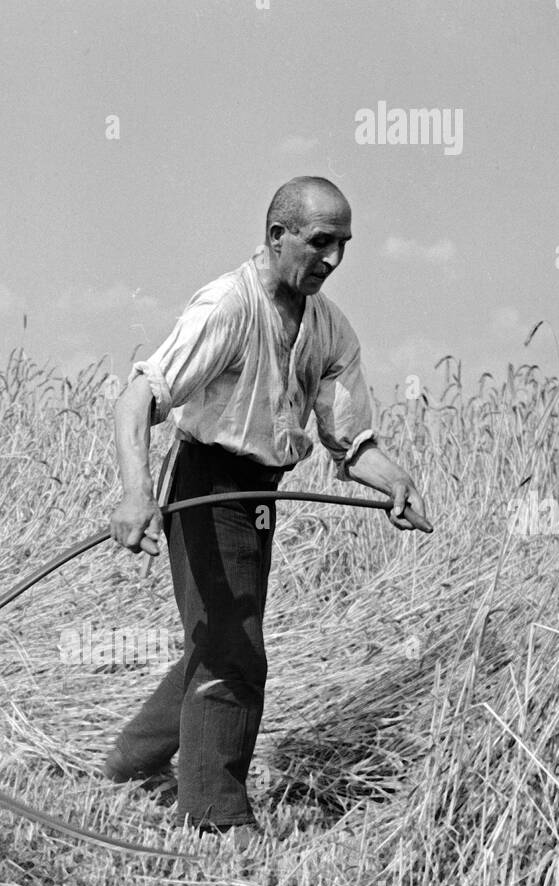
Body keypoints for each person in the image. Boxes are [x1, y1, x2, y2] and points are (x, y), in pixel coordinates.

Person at [106, 176, 430, 848]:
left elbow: (350, 441)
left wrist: (392, 481)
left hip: (261, 492)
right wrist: (136, 494)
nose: (332, 258)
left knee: (223, 638)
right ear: (277, 235)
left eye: (342, 244)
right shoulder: (228, 307)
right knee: (235, 653)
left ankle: (130, 764)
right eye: (319, 242)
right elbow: (137, 398)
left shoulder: (329, 328)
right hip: (206, 484)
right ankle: (215, 816)